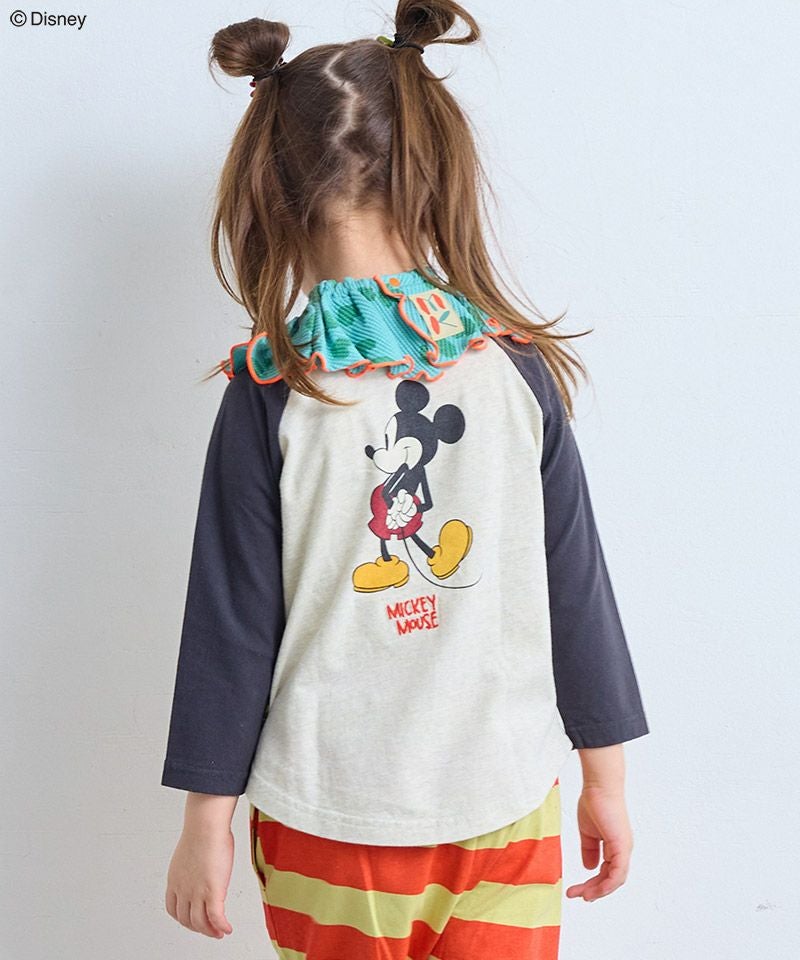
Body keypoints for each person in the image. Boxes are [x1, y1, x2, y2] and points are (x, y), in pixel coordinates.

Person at [160, 3, 650, 957]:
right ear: (434, 172)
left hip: (327, 820)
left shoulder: (273, 391)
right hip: (507, 810)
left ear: (271, 191)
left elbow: (231, 622)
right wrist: (607, 778)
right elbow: (577, 585)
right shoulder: (517, 370)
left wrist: (204, 824)